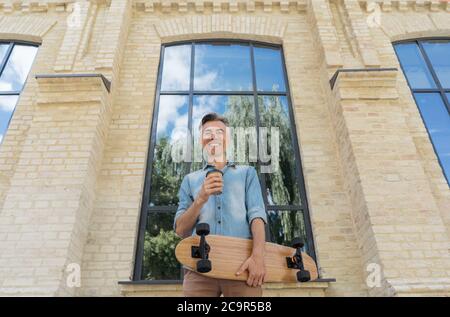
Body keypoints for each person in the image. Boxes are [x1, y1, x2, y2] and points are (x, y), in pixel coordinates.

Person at [174, 112, 268, 297]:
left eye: (219, 132)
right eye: (207, 132)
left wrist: (258, 257)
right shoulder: (190, 180)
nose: (213, 136)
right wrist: (200, 198)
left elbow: (257, 216)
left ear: (228, 139)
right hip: (198, 270)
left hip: (242, 267)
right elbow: (180, 230)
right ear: (201, 140)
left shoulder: (247, 173)